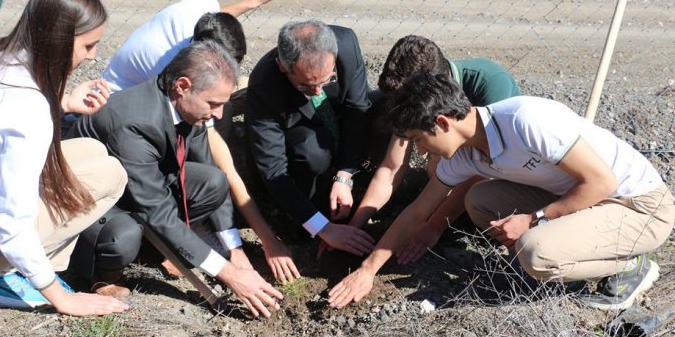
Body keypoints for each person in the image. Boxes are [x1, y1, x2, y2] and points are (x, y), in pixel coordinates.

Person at [328, 72, 675, 311]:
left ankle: (631, 266)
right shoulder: (463, 155)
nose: (419, 152)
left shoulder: (526, 120)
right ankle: (572, 245)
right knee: (480, 200)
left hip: (639, 207)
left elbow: (602, 183)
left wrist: (534, 220)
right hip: (588, 200)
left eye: (419, 139)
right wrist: (368, 270)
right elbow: (418, 212)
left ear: (443, 123)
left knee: (535, 252)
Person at [68, 40, 291, 318]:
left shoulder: (186, 107)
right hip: (91, 201)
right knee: (122, 237)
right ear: (183, 86)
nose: (220, 114)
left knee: (212, 182)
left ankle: (156, 248)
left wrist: (235, 251)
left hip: (138, 181)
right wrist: (229, 275)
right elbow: (155, 211)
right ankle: (102, 273)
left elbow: (211, 172)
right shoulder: (134, 122)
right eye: (213, 103)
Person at [0, 0, 129, 316]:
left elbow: (2, 119)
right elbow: (13, 225)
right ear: (58, 39)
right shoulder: (29, 109)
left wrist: (66, 102)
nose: (93, 56)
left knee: (91, 150)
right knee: (111, 177)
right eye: (88, 46)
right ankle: (17, 275)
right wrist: (63, 299)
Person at [344, 35, 520, 262]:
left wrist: (432, 226)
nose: (420, 151)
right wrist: (355, 225)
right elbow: (391, 168)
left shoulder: (490, 82)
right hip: (455, 173)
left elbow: (483, 169)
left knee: (443, 165)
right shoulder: (409, 99)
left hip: (501, 173)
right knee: (437, 162)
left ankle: (461, 223)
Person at [246, 20, 376, 256]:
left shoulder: (346, 43)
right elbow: (273, 169)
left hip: (339, 120)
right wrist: (323, 228)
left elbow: (357, 111)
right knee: (311, 151)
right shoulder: (264, 85)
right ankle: (307, 214)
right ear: (283, 67)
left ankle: (364, 183)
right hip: (304, 133)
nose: (318, 92)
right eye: (306, 86)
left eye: (325, 81)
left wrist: (345, 175)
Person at [102, 0, 282, 93]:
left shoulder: (202, 7)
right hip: (117, 106)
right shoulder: (170, 67)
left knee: (241, 85)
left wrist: (254, 0)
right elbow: (181, 107)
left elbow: (216, 19)